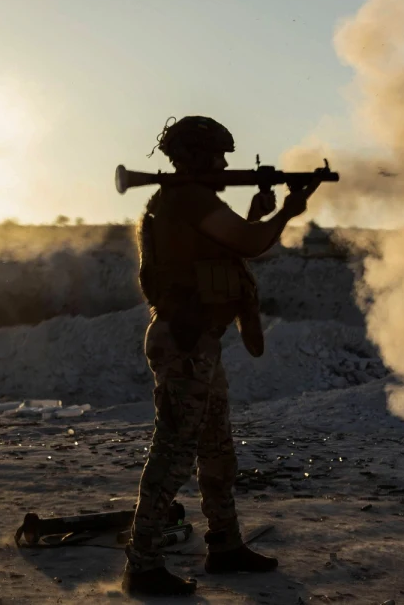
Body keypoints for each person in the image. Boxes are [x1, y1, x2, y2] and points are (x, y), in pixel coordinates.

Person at [122, 116, 321, 597]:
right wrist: (288, 211)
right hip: (186, 345)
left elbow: (228, 248)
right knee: (173, 456)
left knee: (216, 452)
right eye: (218, 155)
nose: (226, 163)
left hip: (199, 344)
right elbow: (251, 244)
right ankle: (143, 565)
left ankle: (226, 545)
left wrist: (256, 209)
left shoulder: (183, 203)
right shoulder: (188, 200)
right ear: (195, 157)